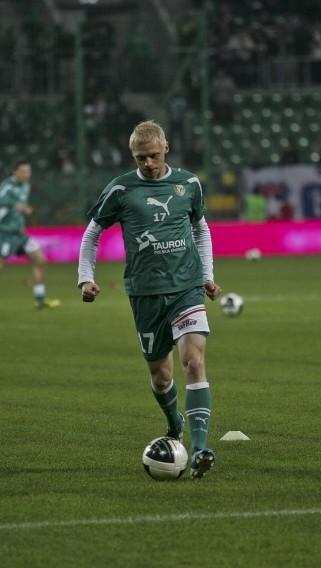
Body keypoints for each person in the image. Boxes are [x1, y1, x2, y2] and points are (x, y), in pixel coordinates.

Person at [77, 120, 222, 479]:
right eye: (140, 158)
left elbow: (200, 227)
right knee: (161, 376)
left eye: (153, 156)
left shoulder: (188, 184)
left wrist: (207, 275)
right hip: (144, 294)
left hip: (186, 287)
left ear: (166, 149)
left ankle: (201, 447)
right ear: (133, 156)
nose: (147, 163)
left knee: (193, 362)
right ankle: (175, 423)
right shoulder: (121, 189)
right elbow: (93, 232)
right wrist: (85, 278)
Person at [0, 159, 61, 314]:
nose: (26, 175)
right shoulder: (7, 185)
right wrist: (17, 206)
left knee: (40, 261)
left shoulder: (26, 186)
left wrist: (23, 210)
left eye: (28, 172)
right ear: (15, 172)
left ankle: (40, 300)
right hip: (6, 234)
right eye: (23, 172)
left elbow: (18, 206)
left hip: (19, 233)